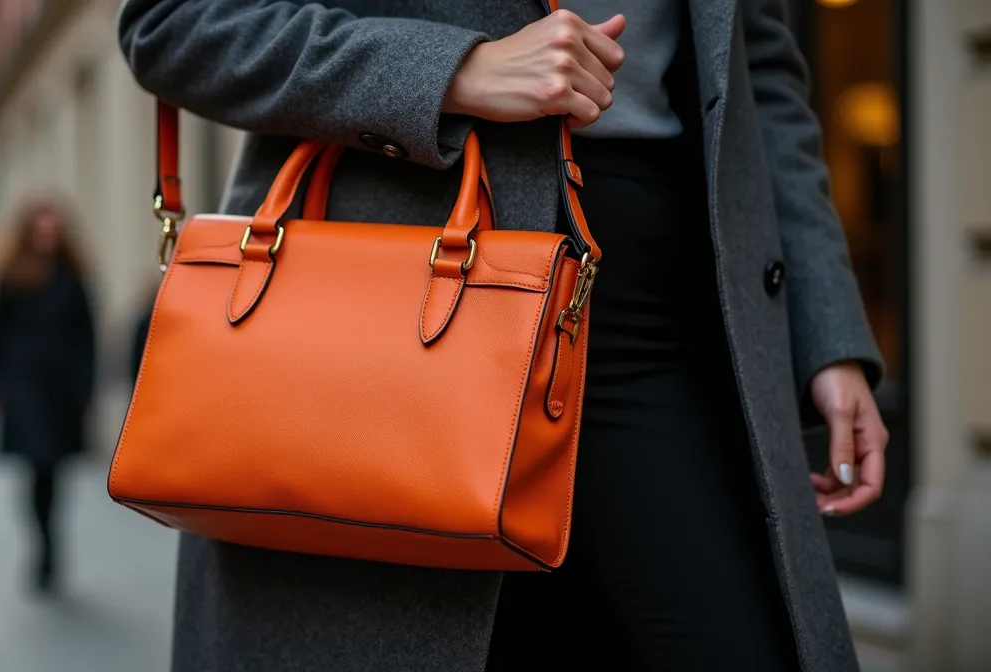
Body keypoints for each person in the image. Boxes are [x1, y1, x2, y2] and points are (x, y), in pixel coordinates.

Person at [118, 2, 889, 671]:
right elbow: (174, 24)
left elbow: (760, 75)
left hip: (679, 317)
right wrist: (453, 71)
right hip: (387, 318)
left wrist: (824, 330)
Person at [0, 197, 97, 595]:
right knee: (35, 465)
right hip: (24, 384)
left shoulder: (73, 278)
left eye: (52, 228)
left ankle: (51, 541)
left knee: (55, 470)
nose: (46, 235)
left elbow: (87, 337)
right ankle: (42, 544)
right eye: (40, 228)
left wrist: (86, 385)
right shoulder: (10, 277)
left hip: (61, 388)